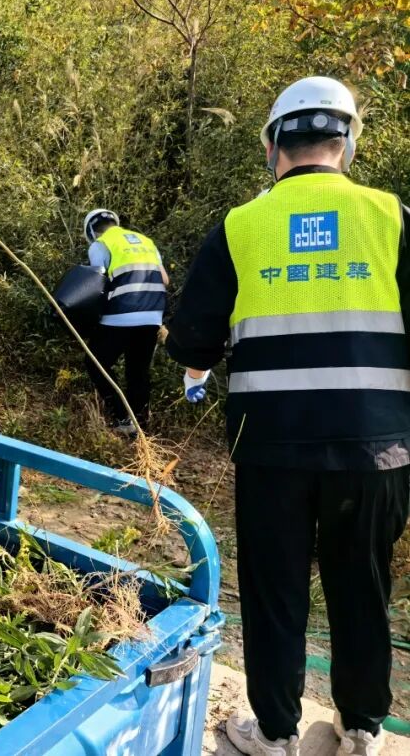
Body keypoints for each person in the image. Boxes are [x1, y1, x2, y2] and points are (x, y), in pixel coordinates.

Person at [167, 76, 410, 756]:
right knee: (364, 587)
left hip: (272, 449)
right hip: (376, 450)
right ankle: (362, 730)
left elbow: (192, 339)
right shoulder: (393, 218)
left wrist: (198, 364)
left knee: (275, 593)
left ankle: (274, 732)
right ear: (348, 143)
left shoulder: (243, 226)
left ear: (273, 145)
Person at [81, 208, 168, 435]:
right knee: (138, 371)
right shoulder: (146, 241)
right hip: (152, 315)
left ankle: (121, 417)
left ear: (92, 231)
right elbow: (165, 279)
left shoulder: (100, 245)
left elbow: (95, 285)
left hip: (120, 314)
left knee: (95, 363)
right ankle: (141, 429)